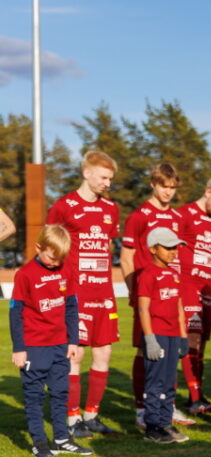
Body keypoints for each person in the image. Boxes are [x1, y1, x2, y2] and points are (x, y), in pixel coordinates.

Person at [46, 150, 121, 439]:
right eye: (103, 177)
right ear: (86, 173)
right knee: (74, 355)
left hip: (103, 292)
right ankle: (72, 418)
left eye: (110, 179)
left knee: (104, 352)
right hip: (75, 293)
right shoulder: (63, 206)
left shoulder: (111, 208)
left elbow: (108, 246)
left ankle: (92, 415)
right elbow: (50, 246)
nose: (107, 183)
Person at [10, 224, 93, 457]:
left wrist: (73, 341)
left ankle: (61, 439)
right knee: (34, 395)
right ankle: (39, 442)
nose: (55, 263)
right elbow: (15, 313)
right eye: (51, 257)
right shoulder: (25, 274)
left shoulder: (66, 270)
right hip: (34, 347)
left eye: (60, 259)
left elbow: (71, 307)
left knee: (60, 393)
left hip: (60, 345)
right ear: (39, 248)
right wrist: (19, 349)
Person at [120, 163, 192, 428]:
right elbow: (126, 258)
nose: (168, 192)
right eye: (164, 186)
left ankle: (167, 406)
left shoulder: (177, 217)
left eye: (172, 187)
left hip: (170, 294)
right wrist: (136, 292)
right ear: (153, 184)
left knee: (171, 351)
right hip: (147, 295)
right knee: (145, 351)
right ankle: (142, 408)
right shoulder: (139, 216)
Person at [177, 176, 211, 415]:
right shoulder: (183, 214)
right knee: (191, 339)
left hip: (207, 287)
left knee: (202, 343)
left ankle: (197, 396)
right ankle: (194, 398)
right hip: (187, 284)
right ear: (208, 191)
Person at [137, 228, 189, 444]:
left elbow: (179, 307)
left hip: (173, 335)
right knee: (155, 383)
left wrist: (183, 337)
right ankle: (152, 426)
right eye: (167, 247)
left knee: (169, 381)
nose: (173, 251)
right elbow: (143, 309)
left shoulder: (174, 274)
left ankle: (166, 423)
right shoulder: (147, 275)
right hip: (156, 335)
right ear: (153, 249)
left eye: (175, 247)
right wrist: (150, 339)